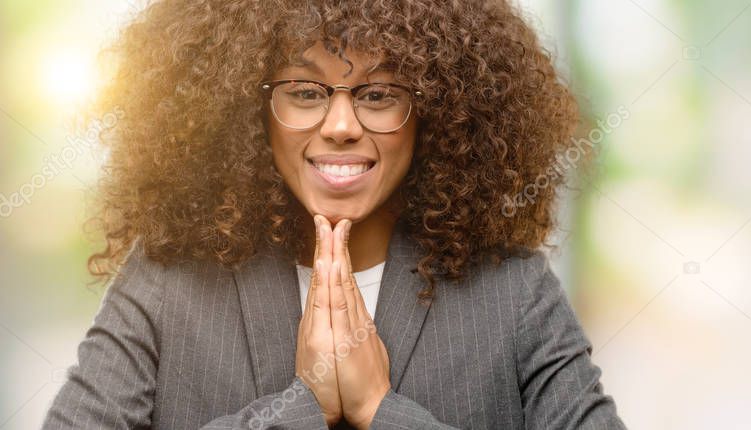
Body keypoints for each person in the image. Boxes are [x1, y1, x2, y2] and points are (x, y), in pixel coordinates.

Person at [44, 0, 626, 428]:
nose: (342, 126)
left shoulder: (513, 288)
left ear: (439, 113)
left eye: (378, 95)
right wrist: (303, 407)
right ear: (251, 110)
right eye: (304, 91)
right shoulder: (166, 279)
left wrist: (383, 411)